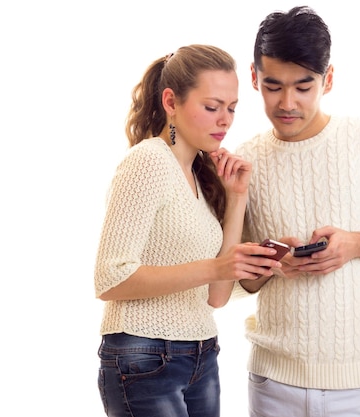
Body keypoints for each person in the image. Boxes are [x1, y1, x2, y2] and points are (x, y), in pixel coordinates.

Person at [234, 6, 360, 417]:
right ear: (255, 77)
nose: (287, 102)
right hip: (273, 384)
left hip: (358, 387)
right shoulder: (245, 161)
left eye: (304, 86)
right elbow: (236, 284)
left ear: (328, 80)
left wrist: (354, 244)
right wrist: (273, 262)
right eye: (273, 86)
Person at [93, 44, 283, 417]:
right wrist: (214, 267)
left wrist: (237, 197)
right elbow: (109, 278)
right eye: (212, 107)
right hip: (144, 356)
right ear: (170, 102)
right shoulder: (147, 162)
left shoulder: (199, 175)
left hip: (200, 352)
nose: (225, 120)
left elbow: (216, 297)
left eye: (231, 108)